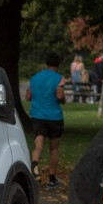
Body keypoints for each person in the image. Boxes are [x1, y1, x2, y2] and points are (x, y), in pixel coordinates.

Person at [26, 53, 67, 188]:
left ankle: (34, 167)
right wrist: (63, 99)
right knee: (53, 148)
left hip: (38, 116)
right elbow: (59, 95)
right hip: (54, 117)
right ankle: (52, 179)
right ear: (58, 65)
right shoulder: (59, 78)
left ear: (46, 63)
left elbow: (28, 96)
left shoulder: (35, 78)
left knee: (38, 146)